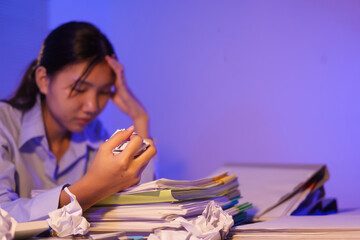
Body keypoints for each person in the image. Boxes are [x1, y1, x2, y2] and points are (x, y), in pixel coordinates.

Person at [0, 21, 156, 222]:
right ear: (43, 80)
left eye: (103, 92)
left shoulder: (94, 135)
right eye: (79, 89)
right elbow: (3, 216)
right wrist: (91, 188)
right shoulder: (4, 124)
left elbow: (145, 210)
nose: (92, 106)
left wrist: (140, 117)